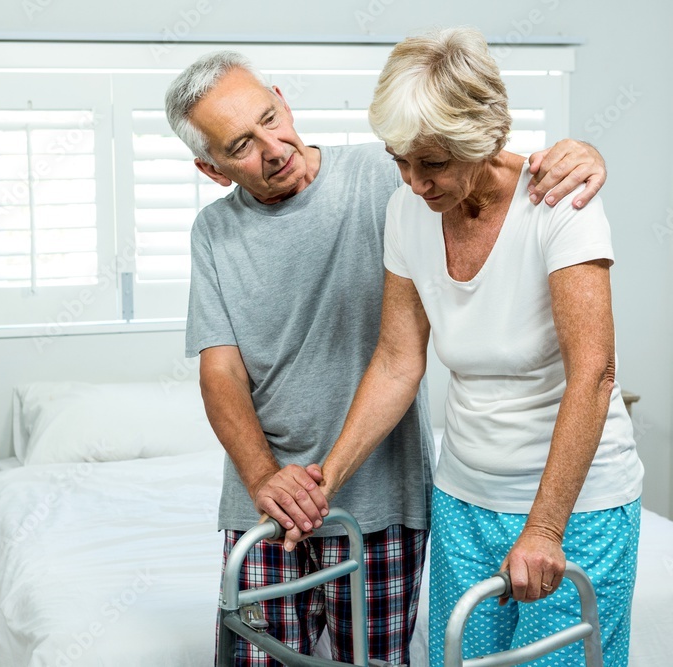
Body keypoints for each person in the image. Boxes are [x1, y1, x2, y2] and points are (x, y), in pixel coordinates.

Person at [163, 49, 608, 666]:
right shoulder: (216, 233)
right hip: (265, 499)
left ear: (283, 99)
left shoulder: (388, 174)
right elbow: (222, 372)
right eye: (240, 144)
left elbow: (481, 155)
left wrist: (578, 153)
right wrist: (266, 476)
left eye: (270, 117)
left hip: (384, 498)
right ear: (213, 170)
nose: (272, 147)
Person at [317, 27, 644, 667]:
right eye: (399, 160)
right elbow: (397, 360)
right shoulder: (406, 213)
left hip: (574, 505)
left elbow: (594, 373)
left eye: (433, 163)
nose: (414, 182)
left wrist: (545, 528)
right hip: (464, 494)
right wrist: (326, 480)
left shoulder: (558, 205)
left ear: (486, 139)